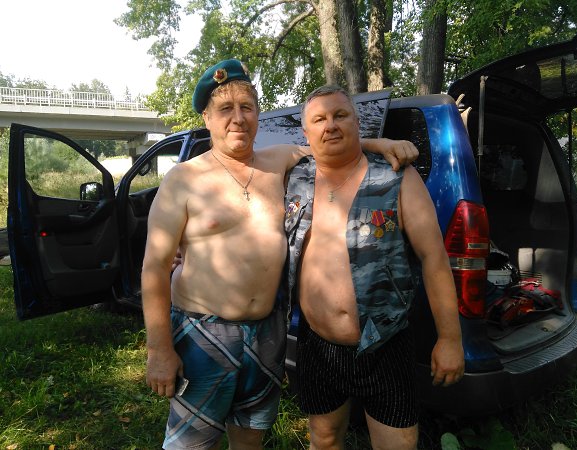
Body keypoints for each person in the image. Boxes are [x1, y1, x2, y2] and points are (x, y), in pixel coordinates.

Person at [142, 59, 419, 450]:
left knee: (250, 440)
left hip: (267, 334)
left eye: (247, 107)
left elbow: (331, 145)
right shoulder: (183, 179)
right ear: (207, 118)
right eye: (225, 109)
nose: (238, 118)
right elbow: (154, 268)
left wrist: (381, 144)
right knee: (191, 445)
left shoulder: (280, 161)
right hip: (204, 334)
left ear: (258, 114)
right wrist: (159, 350)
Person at [284, 85, 465, 450]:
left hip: (385, 344)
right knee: (324, 439)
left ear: (357, 122)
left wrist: (450, 339)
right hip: (317, 345)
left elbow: (434, 258)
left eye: (340, 115)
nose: (330, 125)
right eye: (319, 119)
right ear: (306, 132)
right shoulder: (295, 179)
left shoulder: (396, 177)